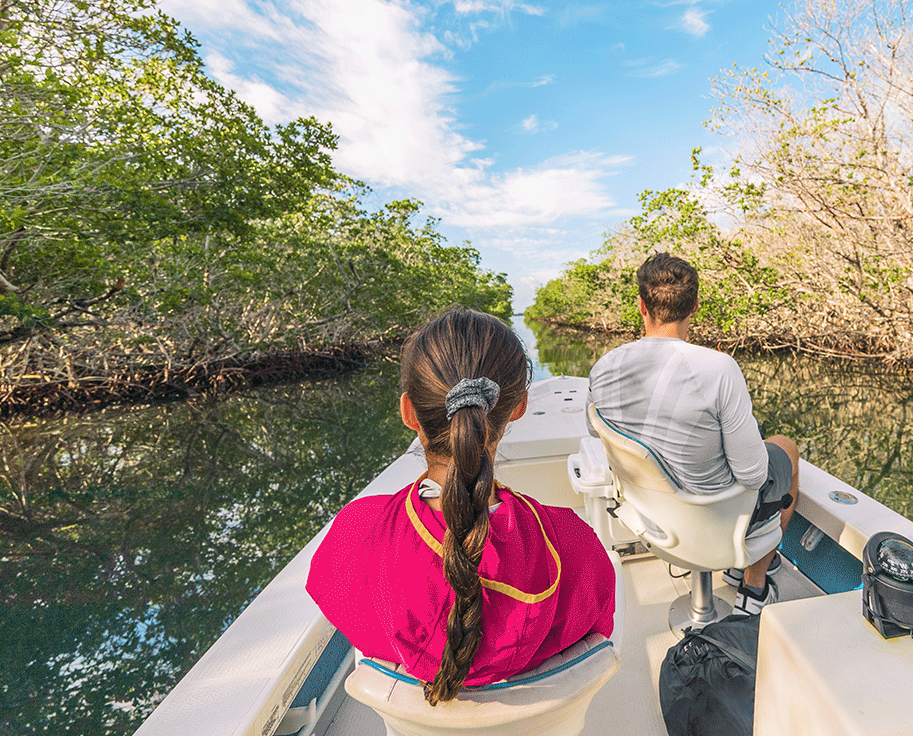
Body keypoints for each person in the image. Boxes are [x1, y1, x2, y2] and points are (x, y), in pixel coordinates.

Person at [307, 307, 615, 705]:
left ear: (409, 413)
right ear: (519, 407)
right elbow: (597, 629)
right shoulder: (571, 543)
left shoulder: (358, 534)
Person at [586, 253, 799, 616]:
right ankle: (752, 584)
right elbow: (752, 475)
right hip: (716, 524)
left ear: (641, 305)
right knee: (786, 448)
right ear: (695, 305)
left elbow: (594, 430)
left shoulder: (604, 367)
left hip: (651, 521)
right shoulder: (719, 368)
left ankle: (744, 567)